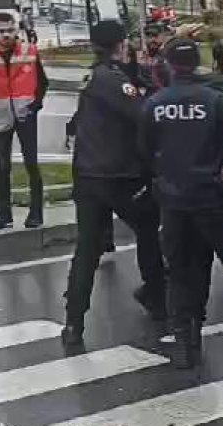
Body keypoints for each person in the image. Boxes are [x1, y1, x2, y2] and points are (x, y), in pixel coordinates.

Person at [139, 38, 223, 368]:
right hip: (212, 196)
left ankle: (188, 339)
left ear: (168, 64)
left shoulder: (154, 104)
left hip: (173, 200)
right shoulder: (215, 101)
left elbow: (144, 151)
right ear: (197, 63)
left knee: (183, 271)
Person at [61, 20, 167, 347]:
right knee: (148, 230)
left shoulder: (92, 76)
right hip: (120, 177)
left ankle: (73, 323)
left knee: (87, 250)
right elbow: (143, 114)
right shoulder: (113, 80)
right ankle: (157, 298)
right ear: (121, 44)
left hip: (88, 177)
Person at [0, 12, 48, 230]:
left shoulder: (29, 51)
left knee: (31, 163)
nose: (6, 35)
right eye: (1, 31)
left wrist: (34, 107)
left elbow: (43, 83)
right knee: (3, 166)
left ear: (17, 29)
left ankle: (36, 213)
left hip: (25, 116)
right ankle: (4, 214)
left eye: (10, 30)